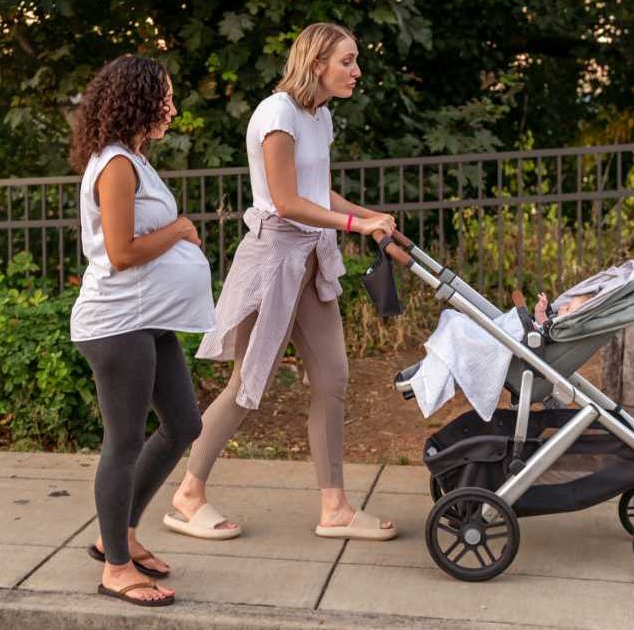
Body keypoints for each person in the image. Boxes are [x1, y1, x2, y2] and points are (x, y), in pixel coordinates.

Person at [164, 23, 398, 542]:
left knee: (333, 380)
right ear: (317, 64)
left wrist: (372, 216)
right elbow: (287, 201)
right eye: (347, 61)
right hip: (273, 260)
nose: (357, 71)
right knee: (249, 385)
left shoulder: (320, 117)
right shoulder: (277, 115)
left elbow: (320, 192)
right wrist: (359, 227)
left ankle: (334, 508)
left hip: (313, 259)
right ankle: (188, 495)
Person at [68, 55, 215, 606]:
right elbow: (123, 252)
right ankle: (116, 568)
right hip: (117, 323)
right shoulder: (115, 166)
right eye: (165, 98)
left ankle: (119, 538)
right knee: (124, 441)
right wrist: (179, 229)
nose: (172, 108)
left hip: (147, 319)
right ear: (137, 101)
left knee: (184, 423)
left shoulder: (133, 159)